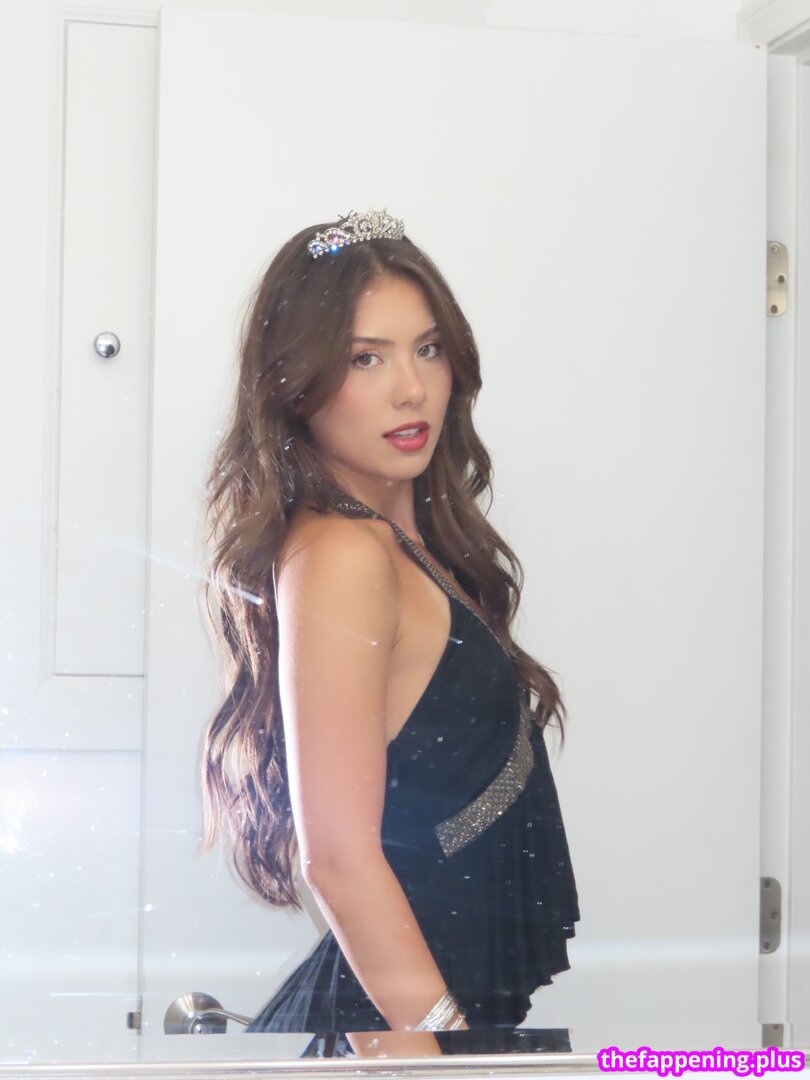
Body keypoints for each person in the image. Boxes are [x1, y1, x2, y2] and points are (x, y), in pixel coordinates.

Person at [199, 209, 580, 1058]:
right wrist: (437, 1051)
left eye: (428, 349)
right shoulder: (342, 555)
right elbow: (336, 857)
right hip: (406, 1036)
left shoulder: (406, 544)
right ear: (297, 383)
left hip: (426, 1019)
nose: (411, 389)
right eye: (365, 358)